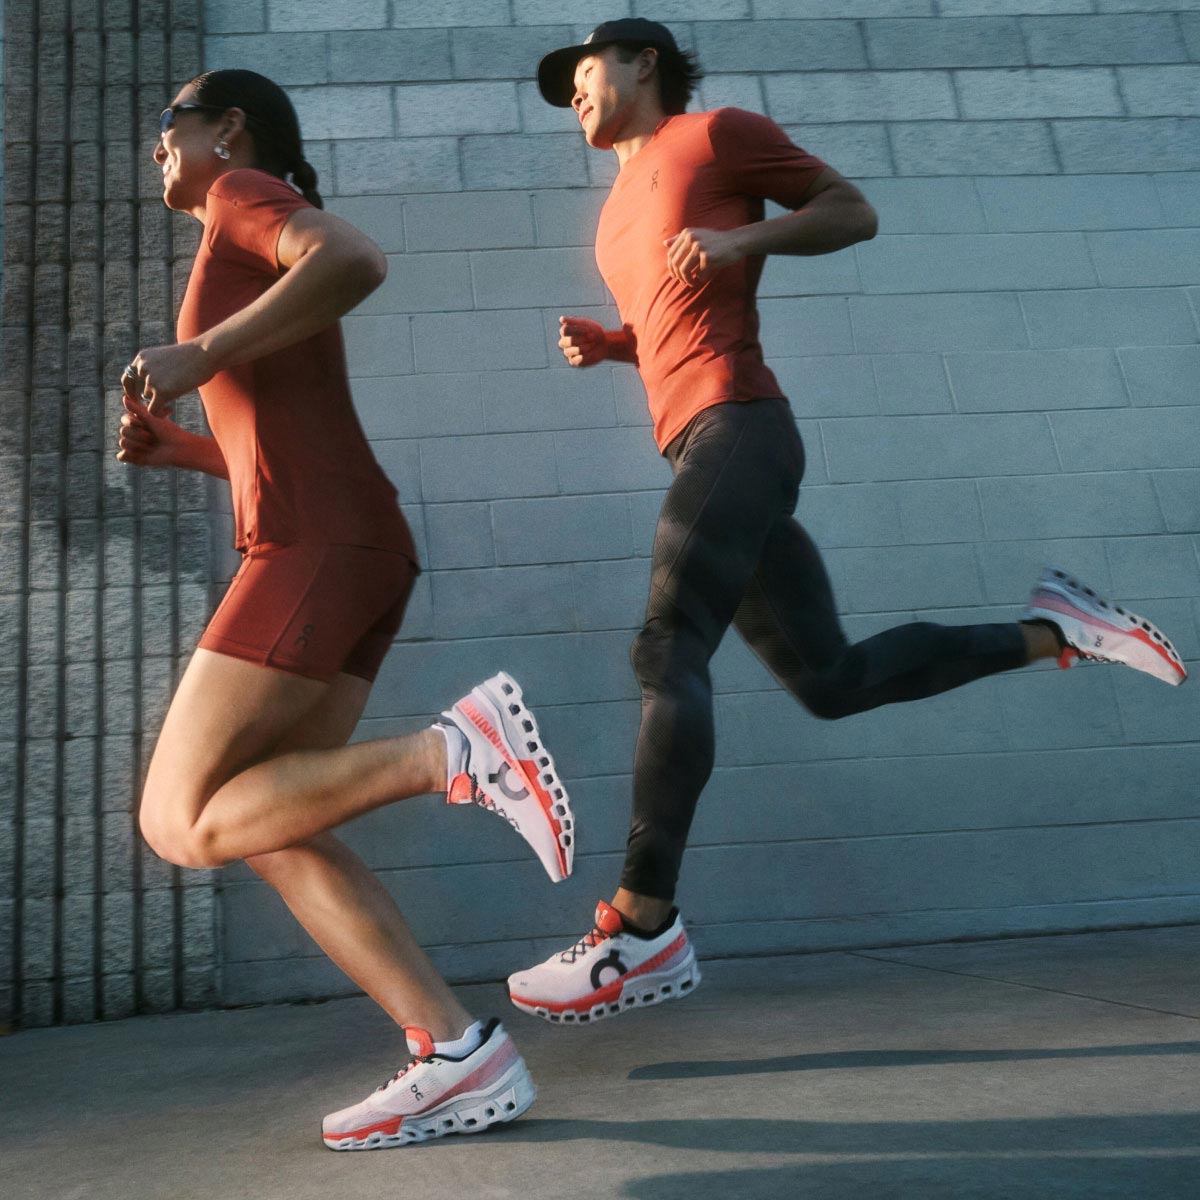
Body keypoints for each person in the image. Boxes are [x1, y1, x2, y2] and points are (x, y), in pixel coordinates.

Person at [505, 19, 1188, 1026]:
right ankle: (1059, 631)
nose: (574, 94)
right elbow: (673, 321)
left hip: (739, 428)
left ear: (643, 62)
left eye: (584, 70)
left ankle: (641, 926)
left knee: (668, 646)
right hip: (701, 441)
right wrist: (616, 344)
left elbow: (851, 210)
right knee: (833, 682)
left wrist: (742, 238)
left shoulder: (715, 135)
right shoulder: (614, 214)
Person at [118, 69, 575, 1148]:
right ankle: (458, 1054)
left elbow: (357, 258)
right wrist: (184, 450)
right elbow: (283, 445)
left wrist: (200, 353)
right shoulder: (236, 231)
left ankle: (453, 751)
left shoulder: (242, 194)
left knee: (178, 818)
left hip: (315, 550)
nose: (157, 144)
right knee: (273, 824)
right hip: (348, 542)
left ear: (228, 129)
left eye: (170, 123)